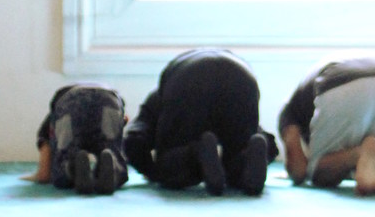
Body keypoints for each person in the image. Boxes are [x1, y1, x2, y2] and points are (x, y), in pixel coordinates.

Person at [123, 48, 278, 196]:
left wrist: (153, 172)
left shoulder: (157, 99)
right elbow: (266, 140)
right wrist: (265, 146)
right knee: (241, 150)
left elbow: (134, 140)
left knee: (171, 166)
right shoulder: (168, 91)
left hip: (187, 79)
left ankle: (196, 153)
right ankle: (246, 159)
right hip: (243, 77)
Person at [277, 57, 375, 195]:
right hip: (365, 71)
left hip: (341, 83)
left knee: (318, 173)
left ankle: (358, 153)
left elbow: (298, 171)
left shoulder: (289, 112)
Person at [21, 83, 129, 195]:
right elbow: (125, 119)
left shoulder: (51, 119)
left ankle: (71, 167)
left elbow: (44, 174)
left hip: (70, 102)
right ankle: (114, 167)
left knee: (62, 166)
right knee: (112, 152)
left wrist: (41, 175)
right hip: (109, 99)